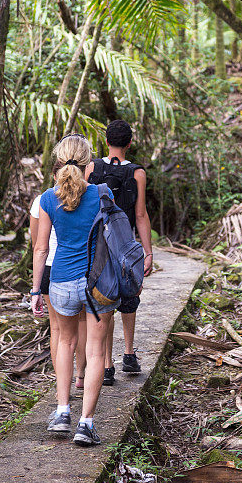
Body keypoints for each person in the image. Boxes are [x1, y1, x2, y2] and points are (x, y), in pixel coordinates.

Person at [31, 133, 118, 446]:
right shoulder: (102, 194)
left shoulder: (46, 198)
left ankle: (62, 412)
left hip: (62, 282)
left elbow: (41, 249)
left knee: (64, 343)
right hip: (98, 285)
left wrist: (34, 291)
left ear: (58, 164)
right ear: (90, 166)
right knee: (95, 351)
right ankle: (86, 424)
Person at [86, 119, 153, 386]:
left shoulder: (92, 167)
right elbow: (140, 214)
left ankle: (107, 365)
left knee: (105, 298)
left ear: (106, 141)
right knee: (129, 293)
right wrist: (147, 252)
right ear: (129, 143)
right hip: (125, 244)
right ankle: (129, 353)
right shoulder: (137, 173)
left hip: (99, 243)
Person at [30, 195, 87, 388]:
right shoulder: (86, 195)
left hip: (49, 266)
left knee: (56, 328)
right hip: (79, 267)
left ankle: (61, 383)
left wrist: (34, 288)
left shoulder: (42, 200)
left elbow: (36, 243)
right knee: (81, 322)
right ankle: (80, 376)